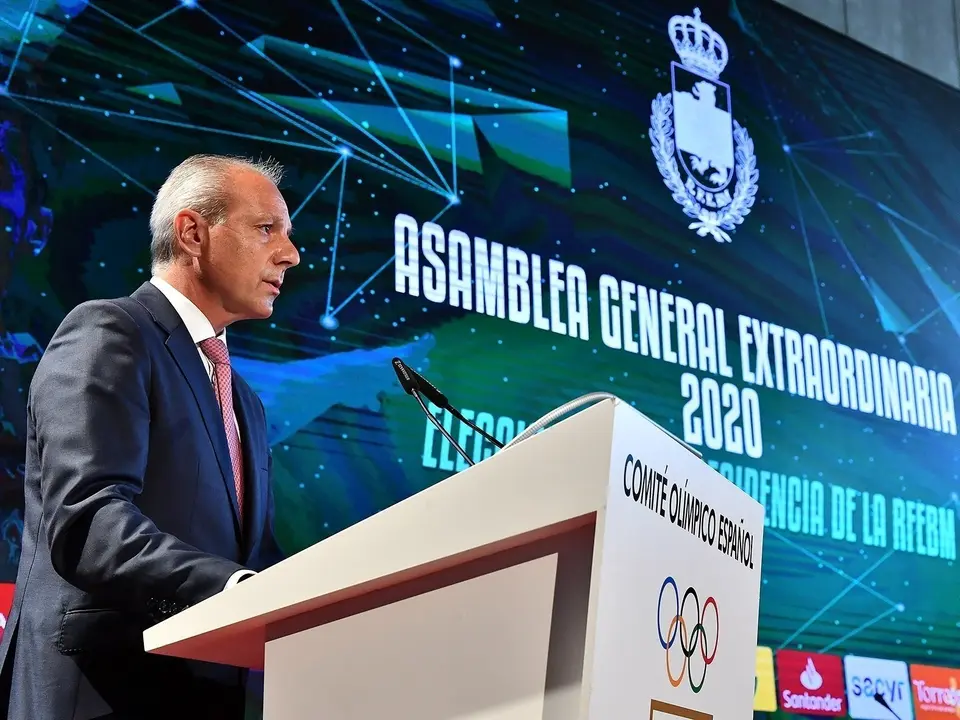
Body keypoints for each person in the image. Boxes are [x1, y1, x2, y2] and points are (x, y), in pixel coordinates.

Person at [0, 154, 300, 719]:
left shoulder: (245, 403)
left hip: (210, 696)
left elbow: (252, 554)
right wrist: (237, 589)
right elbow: (88, 520)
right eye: (267, 229)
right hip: (102, 691)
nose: (290, 253)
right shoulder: (111, 332)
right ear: (192, 233)